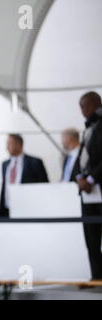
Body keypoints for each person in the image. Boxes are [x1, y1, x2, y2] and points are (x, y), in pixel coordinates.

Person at [75, 91, 102, 280]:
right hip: (88, 192)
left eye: (84, 106)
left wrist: (91, 179)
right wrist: (79, 177)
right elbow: (82, 157)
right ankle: (96, 276)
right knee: (90, 235)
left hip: (98, 185)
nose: (82, 111)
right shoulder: (88, 128)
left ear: (95, 103)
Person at [0, 134, 49, 217]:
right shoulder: (5, 164)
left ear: (19, 144)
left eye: (9, 144)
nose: (7, 147)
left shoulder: (35, 162)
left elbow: (44, 186)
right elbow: (4, 186)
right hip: (7, 209)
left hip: (29, 208)